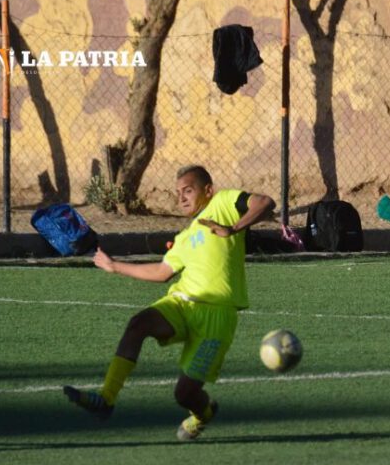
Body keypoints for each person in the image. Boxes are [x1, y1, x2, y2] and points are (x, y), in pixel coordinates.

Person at [63, 165, 274, 441]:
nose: (182, 198)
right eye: (178, 193)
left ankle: (203, 414)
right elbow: (162, 273)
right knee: (138, 323)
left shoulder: (223, 203)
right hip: (182, 303)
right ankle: (106, 398)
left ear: (208, 190)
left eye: (188, 190)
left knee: (184, 394)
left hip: (217, 316)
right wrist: (114, 266)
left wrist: (232, 229)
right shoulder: (185, 237)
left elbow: (265, 203)